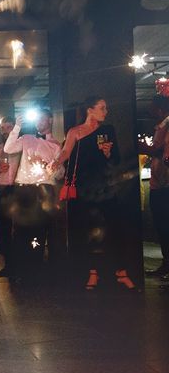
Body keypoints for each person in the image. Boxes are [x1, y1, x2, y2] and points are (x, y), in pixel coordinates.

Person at [52, 96, 136, 290]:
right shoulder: (75, 132)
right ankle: (92, 273)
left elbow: (115, 159)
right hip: (84, 188)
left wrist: (107, 153)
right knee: (87, 230)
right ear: (90, 110)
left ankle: (120, 271)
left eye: (106, 108)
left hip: (104, 186)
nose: (105, 112)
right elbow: (66, 152)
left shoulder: (108, 131)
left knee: (114, 227)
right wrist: (55, 162)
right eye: (102, 108)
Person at [2, 110, 64, 284]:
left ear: (50, 120)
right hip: (24, 188)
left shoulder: (56, 145)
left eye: (42, 119)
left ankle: (35, 271)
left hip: (43, 189)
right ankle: (19, 270)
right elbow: (8, 148)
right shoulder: (27, 138)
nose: (38, 122)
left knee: (39, 232)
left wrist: (47, 165)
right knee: (20, 231)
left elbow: (59, 174)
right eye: (36, 119)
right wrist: (17, 127)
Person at [139, 95, 169, 278]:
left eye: (151, 108)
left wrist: (143, 147)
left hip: (165, 184)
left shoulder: (166, 126)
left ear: (159, 109)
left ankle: (167, 264)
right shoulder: (160, 127)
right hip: (159, 183)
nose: (148, 111)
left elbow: (161, 151)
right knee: (162, 226)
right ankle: (166, 263)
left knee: (164, 225)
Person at [0, 117, 20, 278]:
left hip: (17, 189)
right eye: (3, 128)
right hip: (2, 189)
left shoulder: (21, 147)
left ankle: (19, 263)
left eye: (8, 127)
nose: (5, 131)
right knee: (3, 229)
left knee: (17, 228)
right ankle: (8, 263)